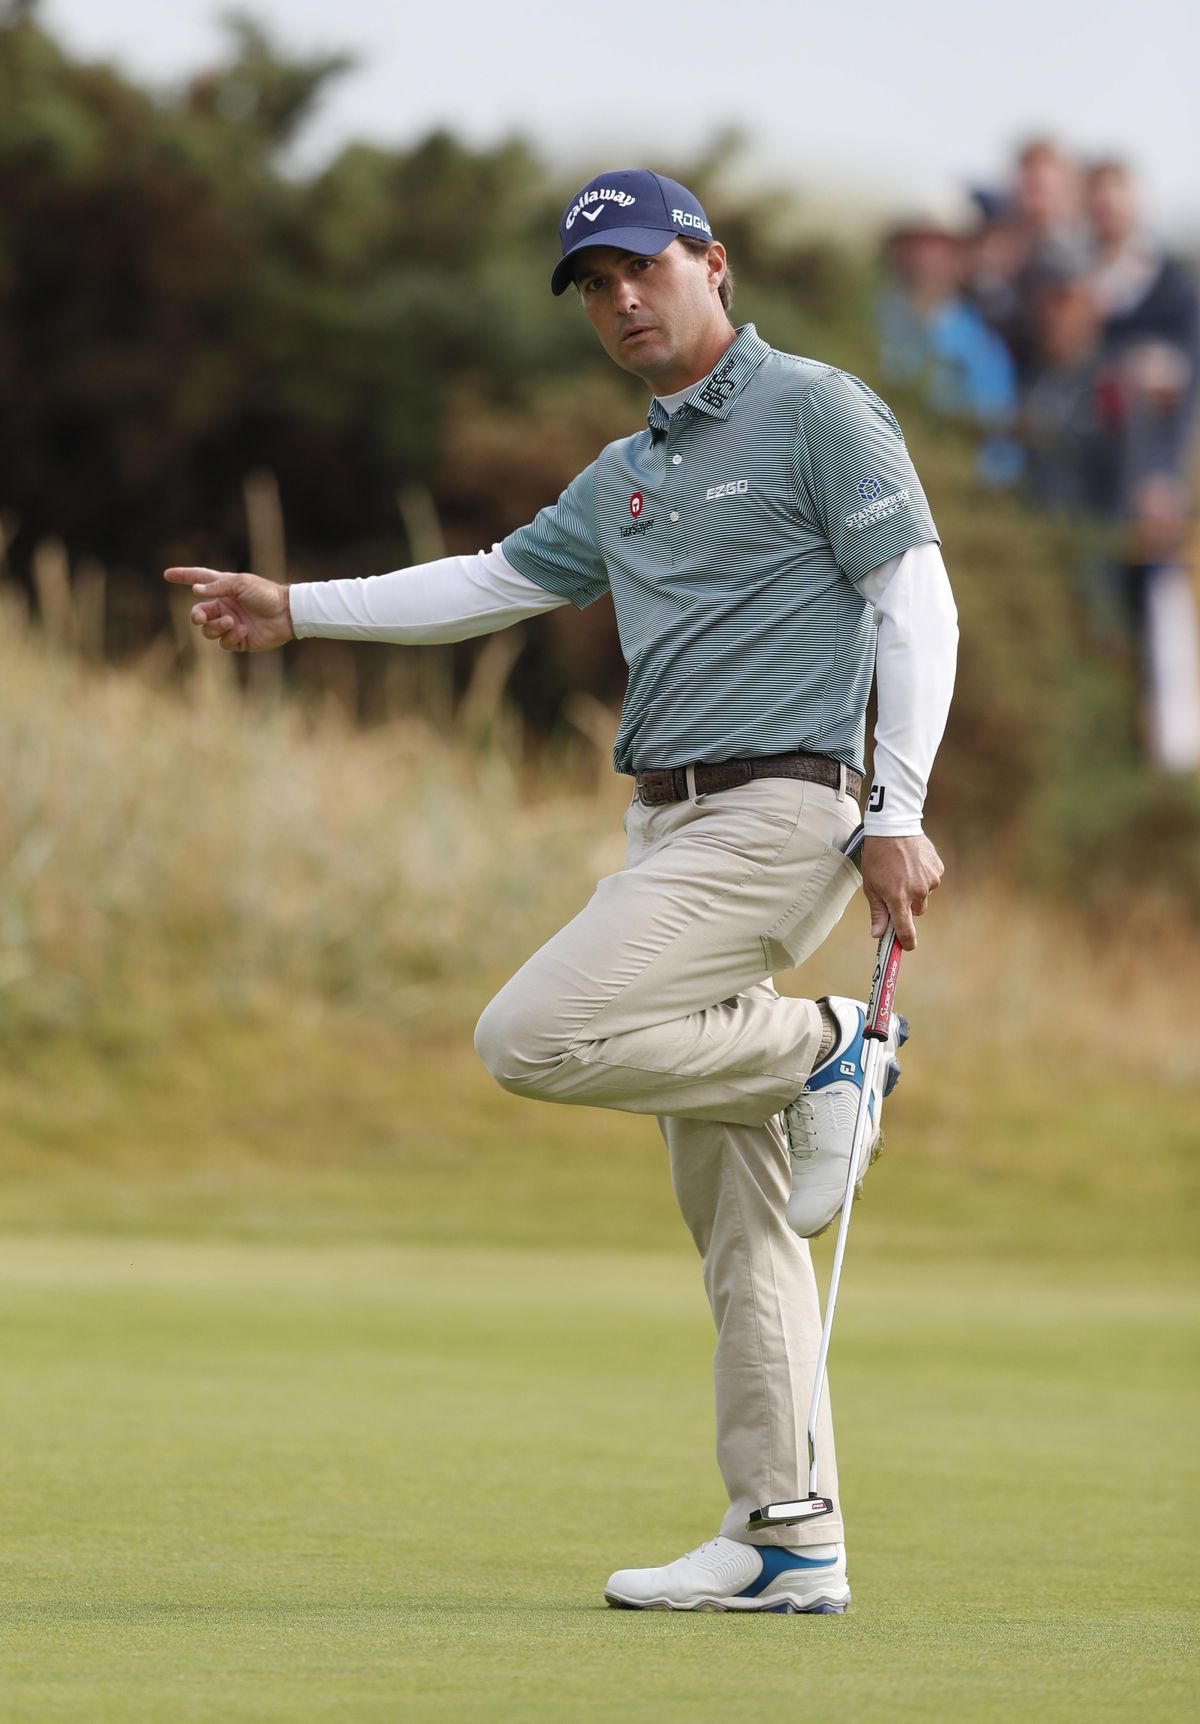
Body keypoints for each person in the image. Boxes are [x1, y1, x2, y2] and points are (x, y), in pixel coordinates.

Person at [165, 169, 958, 1615]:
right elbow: (487, 582)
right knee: (739, 1211)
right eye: (595, 286)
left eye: (644, 269)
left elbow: (915, 594)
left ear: (714, 265)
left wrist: (897, 808)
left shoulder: (817, 409)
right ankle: (788, 1534)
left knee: (532, 1034)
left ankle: (832, 1049)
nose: (622, 302)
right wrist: (298, 609)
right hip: (671, 829)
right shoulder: (629, 473)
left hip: (780, 814)